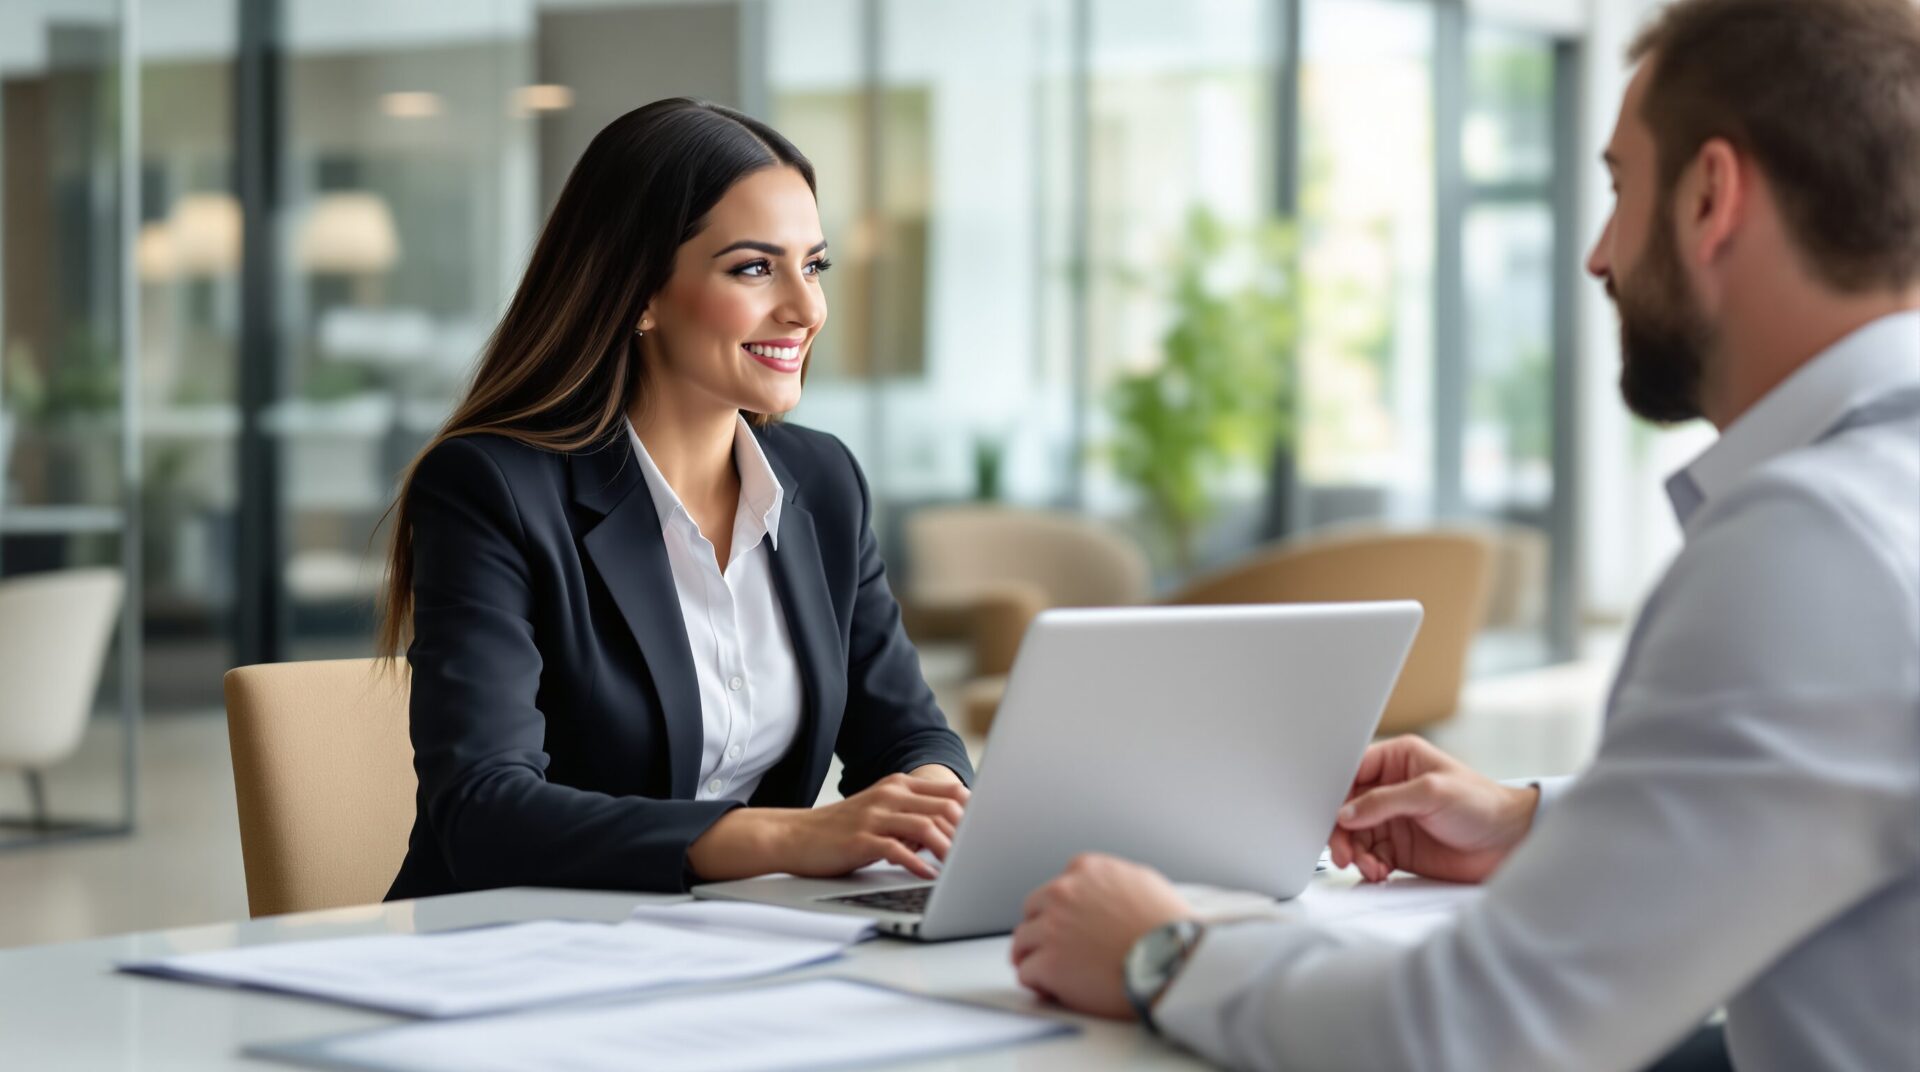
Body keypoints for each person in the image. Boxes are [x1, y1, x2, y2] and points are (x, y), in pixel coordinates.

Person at [1009, 1, 1920, 1069]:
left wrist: (1163, 953)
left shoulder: (1818, 541)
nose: (1596, 255)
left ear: (1711, 197)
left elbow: (1472, 1035)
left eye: (1620, 187)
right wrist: (1538, 824)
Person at [379, 98, 973, 901]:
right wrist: (795, 838)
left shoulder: (823, 484)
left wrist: (932, 800)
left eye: (815, 265)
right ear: (640, 295)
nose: (806, 309)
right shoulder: (492, 489)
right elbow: (484, 811)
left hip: (741, 948)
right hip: (520, 957)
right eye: (755, 268)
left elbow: (904, 731)